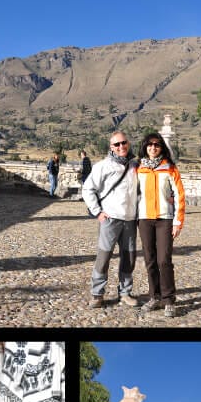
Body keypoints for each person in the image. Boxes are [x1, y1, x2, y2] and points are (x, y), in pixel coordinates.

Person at [82, 131, 140, 309]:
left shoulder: (135, 166)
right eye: (117, 144)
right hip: (110, 220)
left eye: (124, 143)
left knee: (129, 258)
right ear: (111, 147)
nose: (121, 146)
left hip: (130, 220)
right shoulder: (103, 166)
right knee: (104, 257)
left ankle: (125, 293)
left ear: (128, 143)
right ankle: (97, 294)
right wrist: (98, 212)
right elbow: (88, 188)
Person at [136, 132, 186, 318]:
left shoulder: (170, 168)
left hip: (165, 219)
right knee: (149, 260)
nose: (153, 148)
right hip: (144, 219)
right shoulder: (138, 168)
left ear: (161, 147)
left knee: (164, 260)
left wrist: (178, 222)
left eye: (156, 145)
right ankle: (154, 297)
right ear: (145, 147)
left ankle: (169, 299)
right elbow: (131, 193)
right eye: (149, 145)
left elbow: (180, 195)